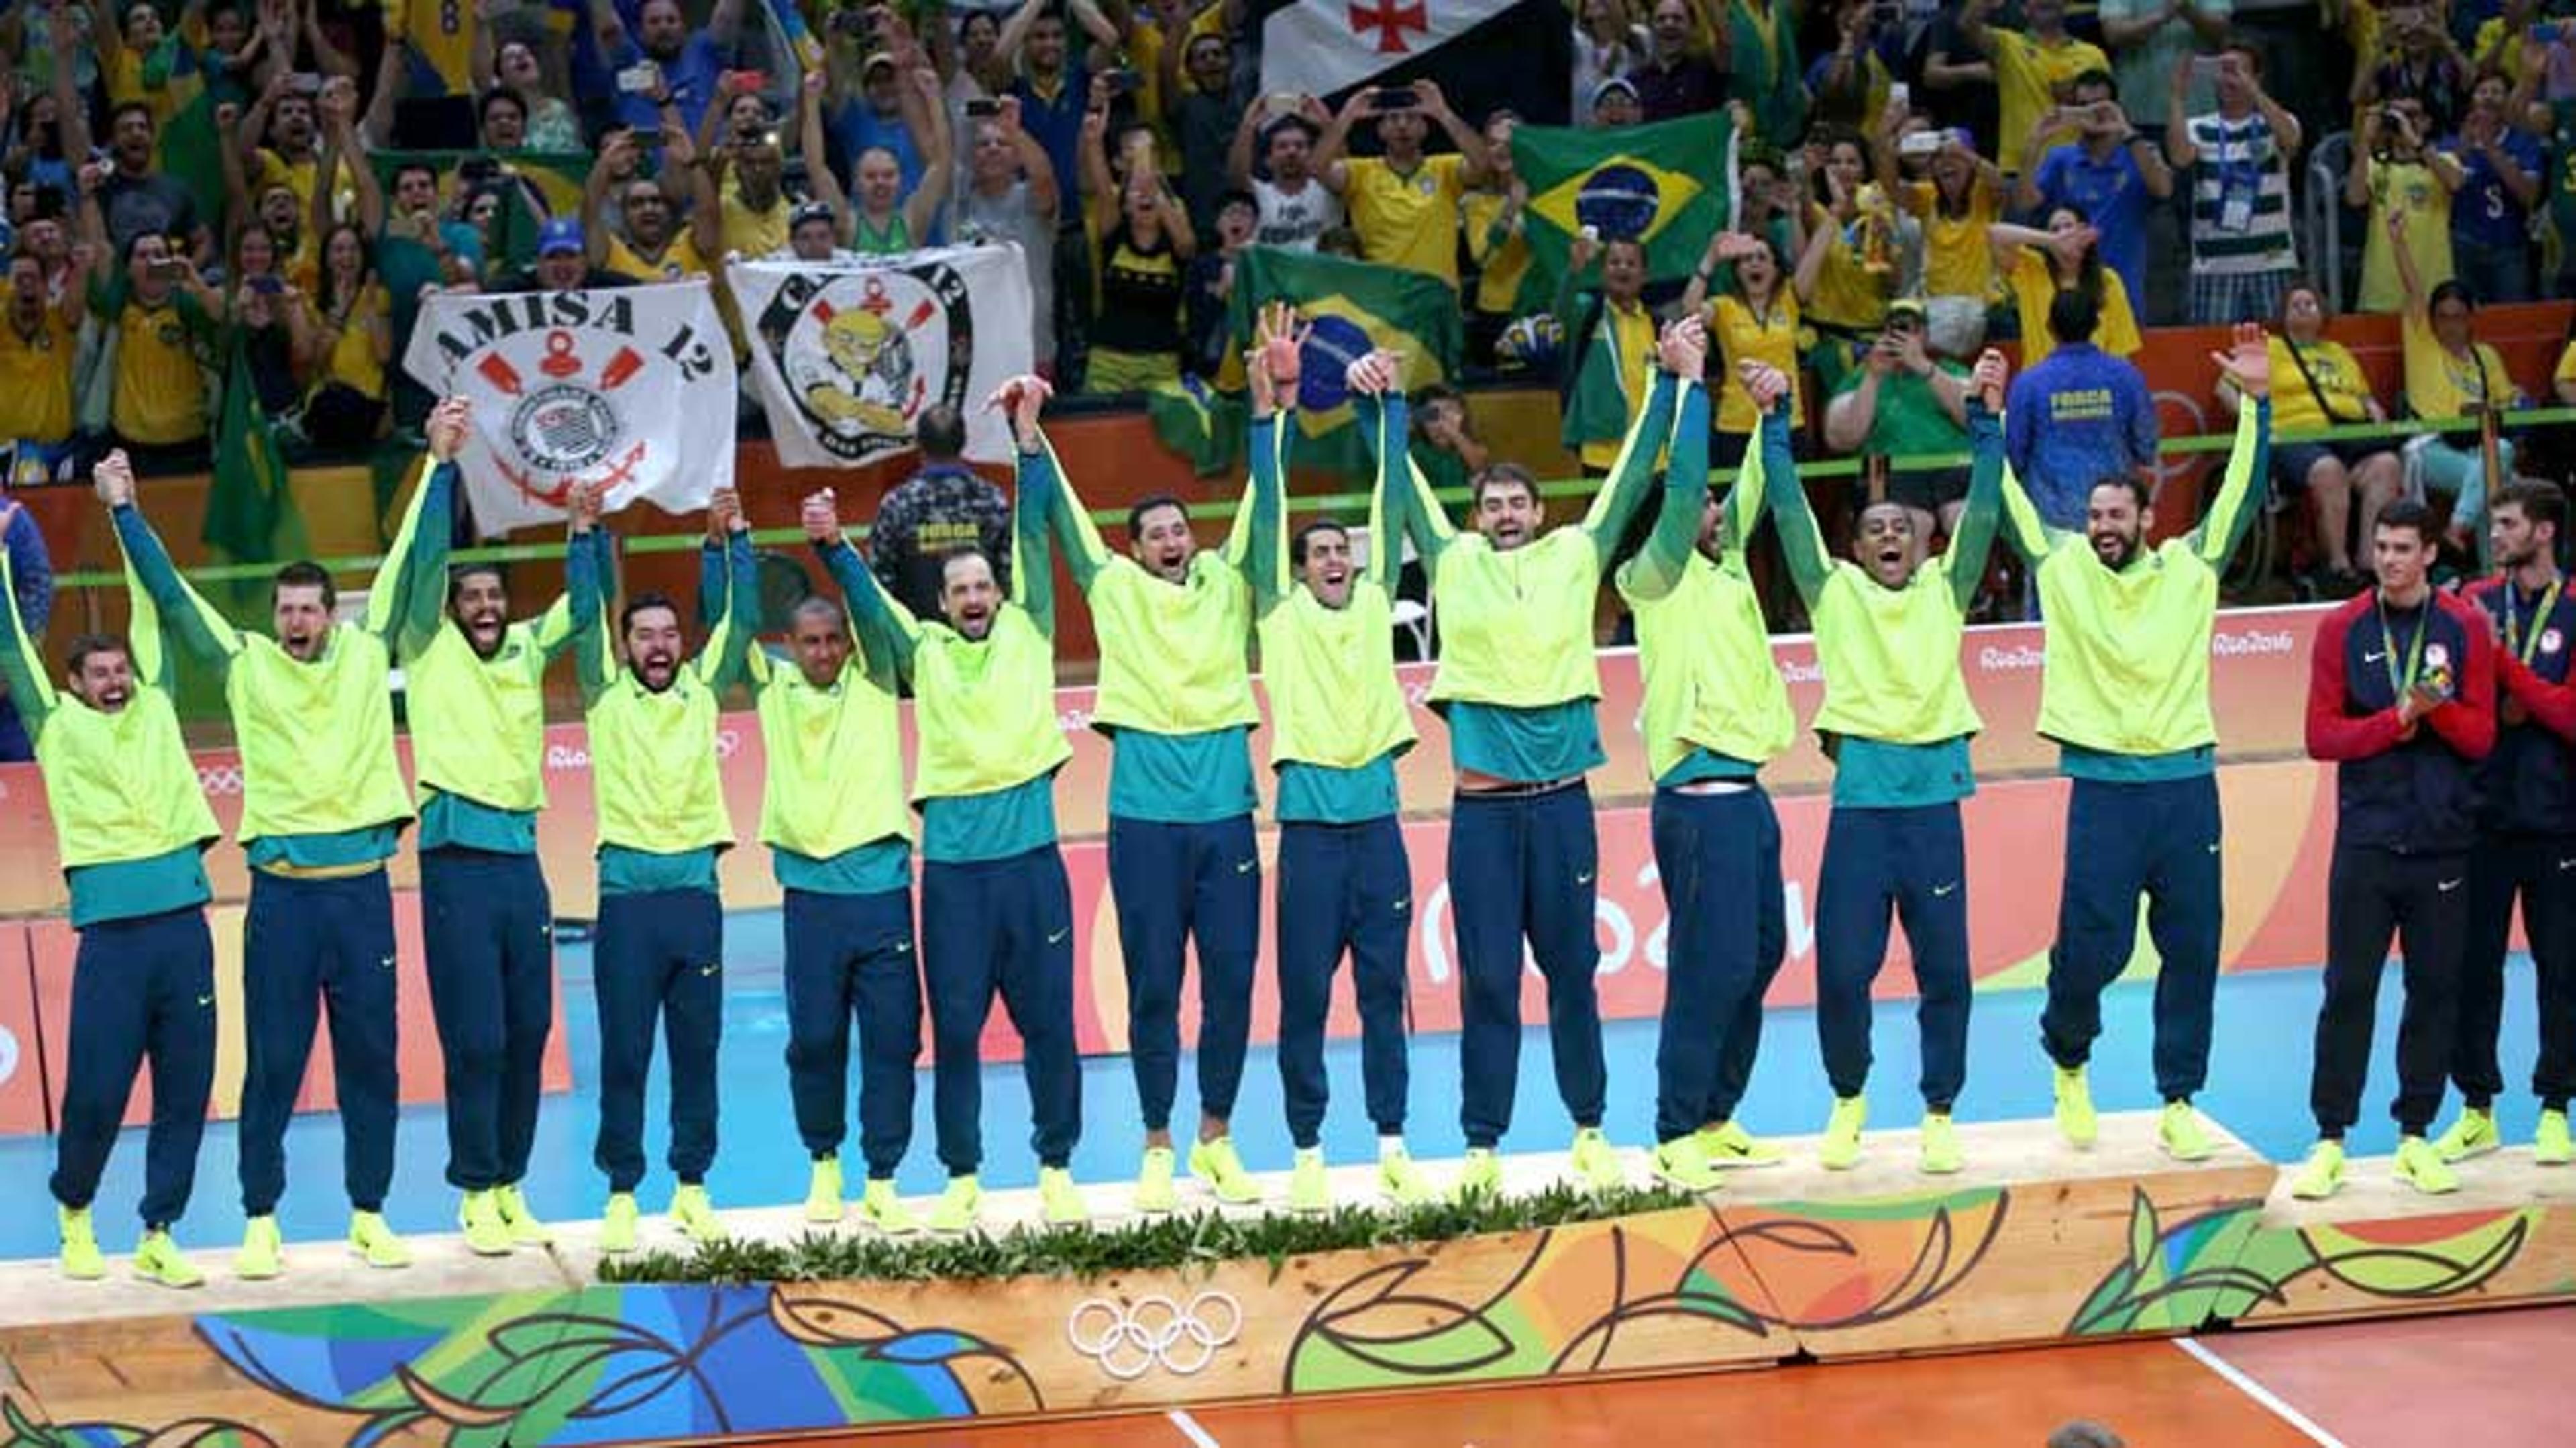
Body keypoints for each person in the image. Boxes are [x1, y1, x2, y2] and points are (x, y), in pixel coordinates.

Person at [109, 417, 458, 1278]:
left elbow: (414, 551)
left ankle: (369, 1213)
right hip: (283, 900)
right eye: (287, 609)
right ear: (272, 617)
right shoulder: (245, 664)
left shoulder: (368, 648)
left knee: (372, 1062)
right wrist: (124, 513)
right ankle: (260, 1217)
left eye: (311, 607)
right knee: (273, 1065)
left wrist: (440, 463)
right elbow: (175, 595)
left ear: (333, 613)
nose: (298, 619)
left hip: (361, 896)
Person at [1374, 327, 1671, 1200]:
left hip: (1564, 806)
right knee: (1491, 978)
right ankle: (1482, 1143)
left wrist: (1667, 386)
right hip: (1485, 814)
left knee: (1574, 971)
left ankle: (1590, 1127)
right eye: (1492, 504)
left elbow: (1628, 482)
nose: (1505, 514)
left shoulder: (1578, 553)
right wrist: (1386, 407)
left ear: (1539, 514)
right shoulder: (1452, 561)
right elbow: (1400, 487)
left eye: (1518, 504)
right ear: (1476, 517)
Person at [806, 374, 1088, 1233]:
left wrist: (1028, 437)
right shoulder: (922, 649)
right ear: (941, 601)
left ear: (1000, 592)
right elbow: (865, 603)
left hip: (1033, 865)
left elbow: (1034, 528)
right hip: (957, 875)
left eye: (983, 587)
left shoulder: (1030, 628)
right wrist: (833, 546)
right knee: (957, 1032)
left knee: (1050, 1026)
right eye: (959, 589)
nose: (973, 597)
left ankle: (1055, 1165)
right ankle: (961, 1172)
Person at [2001, 324, 2273, 1161]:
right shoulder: (2062, 570)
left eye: (2117, 514)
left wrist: (2258, 405)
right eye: (2093, 516)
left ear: (2149, 518)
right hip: (2107, 791)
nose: (2103, 526)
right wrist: (1986, 422)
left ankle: (2179, 1097)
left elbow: (2240, 493)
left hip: (2187, 786)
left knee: (2192, 945)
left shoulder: (2193, 570)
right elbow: (2007, 498)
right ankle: (2069, 1056)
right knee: (2097, 946)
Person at [1772, 345, 2013, 1174]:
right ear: (1858, 546)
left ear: (1918, 545)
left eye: (1900, 530)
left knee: (1945, 969)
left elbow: (1982, 511)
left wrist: (1985, 423)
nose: (1887, 536)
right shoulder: (1833, 595)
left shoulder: (1948, 591)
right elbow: (1792, 518)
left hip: (1933, 806)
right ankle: (1849, 1098)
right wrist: (1775, 428)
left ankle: (1939, 1108)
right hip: (1862, 809)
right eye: (1873, 529)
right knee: (1843, 970)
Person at [1044, 358, 1265, 1213]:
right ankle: (1155, 1144)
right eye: (1157, 533)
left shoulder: (1226, 586)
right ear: (1135, 550)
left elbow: (1265, 503)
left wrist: (1271, 412)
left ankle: (1216, 1136)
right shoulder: (1116, 591)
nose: (1174, 540)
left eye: (1181, 528)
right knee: (1155, 988)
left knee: (1235, 979)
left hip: (1227, 818)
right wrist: (1034, 442)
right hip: (1143, 822)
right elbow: (1066, 525)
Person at [1244, 307, 1435, 1211]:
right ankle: (1309, 1144)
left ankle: (1392, 1136)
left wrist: (1390, 409)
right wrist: (1272, 405)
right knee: (1306, 1000)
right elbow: (1269, 507)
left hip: (1379, 829)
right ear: (1295, 568)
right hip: (1313, 834)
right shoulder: (1276, 614)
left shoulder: (1372, 606)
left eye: (1342, 550)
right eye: (1317, 551)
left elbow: (1391, 499)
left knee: (1385, 991)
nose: (1333, 557)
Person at [388, 399, 588, 1257]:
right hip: (456, 865)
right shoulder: (428, 651)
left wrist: (585, 530)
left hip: (521, 863)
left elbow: (586, 607)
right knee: (473, 1036)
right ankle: (472, 1188)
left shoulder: (525, 652)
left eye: (491, 595)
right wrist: (440, 466)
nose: (481, 605)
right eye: (467, 595)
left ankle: (510, 1183)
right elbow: (426, 564)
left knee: (528, 1032)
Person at [15, 454, 217, 1288]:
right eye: (97, 674)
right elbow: (5, 633)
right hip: (112, 938)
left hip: (184, 927)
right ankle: (74, 1208)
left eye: (120, 671)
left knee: (186, 1092)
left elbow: (152, 602)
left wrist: (123, 508)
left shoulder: (159, 704)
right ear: (70, 683)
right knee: (97, 1092)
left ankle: (160, 1230)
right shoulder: (53, 726)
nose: (114, 682)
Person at [1616, 329, 1799, 1191]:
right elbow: (1688, 485)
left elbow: (1753, 485)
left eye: (1722, 510)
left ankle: (1720, 1114)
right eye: (1704, 509)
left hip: (1749, 798)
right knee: (1709, 963)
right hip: (1695, 802)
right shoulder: (1652, 582)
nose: (1718, 512)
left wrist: (1774, 415)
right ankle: (1672, 1126)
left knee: (1759, 953)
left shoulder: (1727, 576)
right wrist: (1688, 388)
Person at [569, 482, 754, 1253]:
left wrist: (724, 542)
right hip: (627, 904)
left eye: (668, 634)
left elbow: (738, 621)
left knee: (697, 1048)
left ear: (681, 644)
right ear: (625, 645)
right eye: (642, 634)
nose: (656, 646)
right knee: (626, 1050)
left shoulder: (705, 694)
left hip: (694, 901)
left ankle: (691, 1184)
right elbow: (584, 616)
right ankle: (621, 1188)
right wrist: (583, 534)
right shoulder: (604, 695)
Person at [2294, 500, 2498, 1200]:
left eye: (2404, 548)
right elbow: (2321, 737)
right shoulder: (2341, 626)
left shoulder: (2466, 625)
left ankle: (2416, 1134)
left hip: (2443, 846)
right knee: (2347, 991)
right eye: (2381, 546)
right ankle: (2330, 1139)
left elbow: (2481, 739)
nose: (2389, 559)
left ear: (2431, 554)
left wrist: (2435, 711)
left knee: (2434, 992)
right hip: (2368, 844)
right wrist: (2395, 719)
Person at [745, 540, 924, 1237]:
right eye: (809, 643)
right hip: (812, 900)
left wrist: (832, 546)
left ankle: (883, 1176)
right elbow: (724, 626)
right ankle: (824, 1164)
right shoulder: (774, 687)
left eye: (832, 641)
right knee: (816, 1039)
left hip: (881, 893)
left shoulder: (875, 678)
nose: (823, 652)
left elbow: (876, 616)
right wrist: (724, 546)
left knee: (893, 1040)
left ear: (848, 643)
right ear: (788, 646)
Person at [2432, 481, 2576, 1167]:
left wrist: (2504, 665)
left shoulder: (2575, 608)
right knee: (2472, 968)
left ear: (2544, 532)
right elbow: (2454, 698)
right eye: (2494, 521)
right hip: (2480, 821)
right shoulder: (2473, 604)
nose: (2497, 532)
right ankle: (2477, 1108)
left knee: (2562, 969)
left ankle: (2555, 1108)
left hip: (2557, 822)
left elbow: (2568, 714)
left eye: (2509, 522)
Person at [2220, 282, 2402, 597]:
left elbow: (2363, 395)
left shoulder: (2338, 352)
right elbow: (2223, 389)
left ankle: (2370, 561)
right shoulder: (2269, 348)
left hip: (2347, 437)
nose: (2304, 309)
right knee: (2328, 470)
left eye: (2311, 304)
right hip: (2293, 439)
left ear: (2323, 313)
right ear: (2283, 314)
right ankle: (2338, 566)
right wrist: (2258, 426)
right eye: (2296, 305)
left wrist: (2373, 409)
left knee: (2386, 465)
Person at [2389, 217, 2522, 563]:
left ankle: (2462, 537)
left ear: (2470, 318)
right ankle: (2485, 564)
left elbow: (2506, 404)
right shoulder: (2423, 345)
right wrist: (2399, 243)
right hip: (2429, 448)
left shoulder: (2486, 356)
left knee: (2498, 463)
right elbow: (2414, 291)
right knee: (2495, 473)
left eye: (2458, 316)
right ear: (2432, 320)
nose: (2451, 325)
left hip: (2475, 448)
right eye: (2443, 317)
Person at [2165, 39, 2304, 326]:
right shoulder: (2198, 126)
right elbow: (2179, 158)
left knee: (2275, 352)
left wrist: (2252, 90)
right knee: (2215, 354)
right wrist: (2178, 97)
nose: (2229, 78)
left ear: (2257, 77)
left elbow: (2291, 140)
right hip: (2215, 267)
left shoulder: (2277, 120)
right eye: (2224, 70)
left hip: (2272, 262)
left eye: (2238, 70)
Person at [2004, 289, 2157, 532]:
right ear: (2096, 324)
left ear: (2050, 327)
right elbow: (2146, 443)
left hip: (2050, 523)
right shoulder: (2126, 376)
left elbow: (2014, 456)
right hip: (2115, 519)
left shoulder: (2029, 383)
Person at [1823, 299, 1974, 544]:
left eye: (1910, 330)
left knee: (1965, 520)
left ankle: (1969, 584)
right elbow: (1840, 439)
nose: (1901, 337)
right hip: (1888, 469)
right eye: (1894, 329)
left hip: (1953, 466)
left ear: (1925, 336)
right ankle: (1914, 583)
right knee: (1911, 525)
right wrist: (1872, 378)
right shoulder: (1863, 375)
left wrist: (1924, 368)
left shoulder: (1950, 371)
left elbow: (1977, 420)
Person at [2020, 74, 2175, 311]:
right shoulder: (2060, 158)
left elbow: (2164, 190)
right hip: (2073, 292)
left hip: (2125, 292)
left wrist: (2126, 131)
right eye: (2083, 106)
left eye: (2101, 105)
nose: (2092, 113)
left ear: (2117, 108)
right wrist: (2033, 144)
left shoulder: (2140, 152)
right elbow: (2025, 203)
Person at [1316, 76, 1485, 289]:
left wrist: (1443, 113)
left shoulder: (1445, 169)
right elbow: (1317, 168)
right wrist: (1348, 115)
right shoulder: (1360, 173)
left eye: (1412, 118)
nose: (1403, 125)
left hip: (1436, 298)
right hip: (1383, 301)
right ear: (1380, 130)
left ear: (1425, 128)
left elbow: (1484, 167)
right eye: (1393, 118)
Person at [1080, 104, 1195, 393]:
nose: (1145, 196)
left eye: (1151, 193)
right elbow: (1103, 188)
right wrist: (1094, 141)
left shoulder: (1176, 228)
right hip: (1108, 362)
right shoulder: (1112, 227)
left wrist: (1151, 179)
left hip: (1162, 364)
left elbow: (1188, 246)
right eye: (1135, 193)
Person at [870, 404, 1012, 623]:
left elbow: (879, 585)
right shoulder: (993, 500)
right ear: (964, 441)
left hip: (917, 643)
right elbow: (1008, 578)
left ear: (918, 443)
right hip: (983, 641)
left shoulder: (897, 504)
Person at [1684, 230, 1801, 470]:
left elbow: (1811, 257)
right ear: (1737, 270)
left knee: (1786, 504)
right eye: (1747, 259)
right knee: (1739, 506)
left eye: (1762, 258)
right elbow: (1689, 310)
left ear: (1776, 269)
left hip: (1786, 422)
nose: (1754, 264)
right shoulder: (1724, 306)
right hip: (1736, 426)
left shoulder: (1790, 298)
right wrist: (1710, 259)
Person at [1960, 0, 2110, 171]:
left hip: (2077, 171)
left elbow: (2107, 115)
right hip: (2021, 169)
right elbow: (1968, 25)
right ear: (2024, 9)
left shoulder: (2094, 55)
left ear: (2066, 5)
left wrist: (2077, 100)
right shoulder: (2007, 45)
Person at [1556, 234, 1660, 478]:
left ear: (1644, 274)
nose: (1622, 268)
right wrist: (1574, 270)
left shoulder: (1656, 324)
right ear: (1602, 272)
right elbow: (1562, 309)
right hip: (1602, 452)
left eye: (1631, 263)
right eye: (1614, 262)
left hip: (1653, 452)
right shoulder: (1587, 313)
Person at [2350, 95, 2463, 315]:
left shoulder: (2444, 160)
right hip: (2381, 291)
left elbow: (2455, 182)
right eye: (2396, 115)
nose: (2403, 122)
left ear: (2427, 123)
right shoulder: (2374, 164)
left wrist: (2416, 142)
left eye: (2411, 115)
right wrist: (2365, 141)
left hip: (2432, 290)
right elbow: (2355, 198)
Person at [1988, 209, 2143, 368]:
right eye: (2055, 230)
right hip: (2042, 382)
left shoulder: (2108, 280)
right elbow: (1994, 234)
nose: (2062, 235)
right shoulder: (2032, 269)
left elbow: (2121, 352)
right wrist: (2051, 241)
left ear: (2083, 233)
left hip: (2093, 383)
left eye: (2069, 227)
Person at [2443, 69, 2541, 305]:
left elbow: (2530, 197)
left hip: (2510, 248)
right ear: (2471, 101)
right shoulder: (2450, 143)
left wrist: (2490, 147)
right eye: (2482, 92)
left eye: (2497, 92)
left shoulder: (2523, 141)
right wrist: (2464, 147)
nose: (2488, 97)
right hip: (2463, 247)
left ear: (2508, 102)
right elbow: (2443, 187)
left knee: (2512, 323)